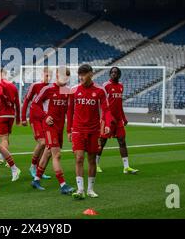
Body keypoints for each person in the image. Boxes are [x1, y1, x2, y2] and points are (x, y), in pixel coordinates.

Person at [67, 64, 113, 199]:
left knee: (92, 160)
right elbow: (69, 111)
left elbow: (107, 110)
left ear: (91, 74)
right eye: (79, 75)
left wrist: (108, 124)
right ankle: (80, 189)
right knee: (79, 158)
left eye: (84, 74)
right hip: (78, 129)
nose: (81, 77)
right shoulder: (73, 90)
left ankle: (90, 189)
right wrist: (69, 130)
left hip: (94, 130)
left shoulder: (100, 90)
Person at [31, 67, 74, 195]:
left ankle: (36, 180)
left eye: (67, 76)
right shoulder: (47, 89)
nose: (65, 79)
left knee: (48, 153)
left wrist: (69, 129)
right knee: (57, 154)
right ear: (56, 75)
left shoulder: (68, 91)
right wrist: (45, 116)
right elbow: (34, 104)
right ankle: (63, 185)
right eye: (62, 76)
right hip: (49, 127)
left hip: (60, 127)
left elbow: (69, 111)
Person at [97, 67, 139, 174]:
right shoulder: (105, 86)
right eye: (112, 72)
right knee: (102, 142)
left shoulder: (121, 86)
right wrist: (109, 118)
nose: (113, 74)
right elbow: (103, 104)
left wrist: (124, 118)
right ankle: (96, 164)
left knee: (122, 141)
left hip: (119, 120)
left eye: (115, 72)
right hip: (107, 120)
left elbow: (119, 105)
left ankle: (126, 167)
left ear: (119, 75)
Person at [21, 67, 52, 179]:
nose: (48, 77)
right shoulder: (35, 86)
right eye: (47, 75)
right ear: (42, 74)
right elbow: (26, 101)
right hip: (35, 118)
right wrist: (23, 117)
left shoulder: (51, 88)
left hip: (45, 118)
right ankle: (33, 166)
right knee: (42, 142)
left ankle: (40, 170)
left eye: (50, 75)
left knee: (47, 145)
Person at [0, 68, 20, 165]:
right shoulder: (13, 86)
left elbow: (0, 94)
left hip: (1, 114)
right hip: (11, 115)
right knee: (6, 137)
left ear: (1, 74)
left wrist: (6, 100)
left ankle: (2, 156)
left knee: (3, 137)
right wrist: (18, 118)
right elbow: (17, 103)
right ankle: (4, 156)